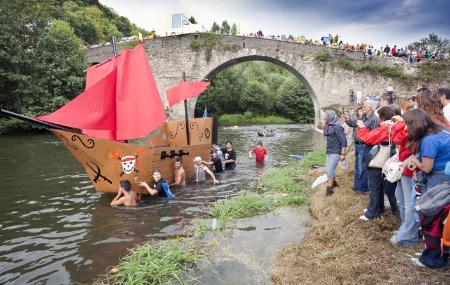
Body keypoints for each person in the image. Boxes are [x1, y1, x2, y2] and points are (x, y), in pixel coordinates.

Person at [402, 109, 450, 268]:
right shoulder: (442, 130)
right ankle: (436, 253)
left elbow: (427, 168)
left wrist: (414, 161)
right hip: (446, 178)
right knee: (443, 221)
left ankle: (432, 259)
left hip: (437, 179)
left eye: (407, 124)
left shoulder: (429, 140)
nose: (405, 128)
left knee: (431, 218)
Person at [357, 105, 399, 221]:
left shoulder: (384, 128)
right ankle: (378, 209)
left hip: (378, 162)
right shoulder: (395, 126)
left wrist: (361, 127)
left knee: (374, 188)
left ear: (381, 117)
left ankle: (372, 213)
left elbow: (367, 138)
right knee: (381, 187)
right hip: (388, 161)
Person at [346, 99, 379, 193]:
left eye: (364, 106)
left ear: (371, 108)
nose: (362, 108)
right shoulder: (364, 117)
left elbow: (374, 135)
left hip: (365, 145)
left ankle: (362, 188)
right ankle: (358, 186)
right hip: (358, 145)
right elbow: (353, 123)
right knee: (357, 166)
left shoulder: (374, 119)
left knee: (362, 167)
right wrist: (348, 119)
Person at [313, 110, 347, 196]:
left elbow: (344, 141)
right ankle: (334, 183)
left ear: (329, 116)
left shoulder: (337, 127)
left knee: (329, 170)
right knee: (329, 169)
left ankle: (329, 189)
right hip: (329, 151)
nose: (323, 117)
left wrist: (343, 154)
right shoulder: (330, 126)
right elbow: (326, 133)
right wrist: (316, 129)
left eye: (324, 115)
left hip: (335, 151)